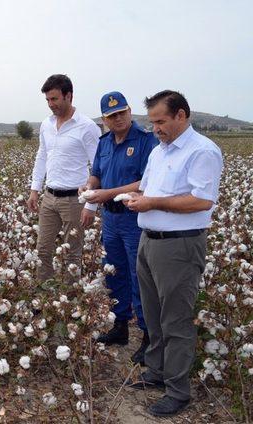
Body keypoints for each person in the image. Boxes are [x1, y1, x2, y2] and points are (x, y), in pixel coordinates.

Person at [126, 90, 223, 417]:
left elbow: (201, 200)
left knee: (176, 319)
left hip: (180, 245)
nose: (155, 128)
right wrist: (130, 197)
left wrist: (152, 203)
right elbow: (148, 190)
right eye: (152, 122)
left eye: (161, 121)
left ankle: (178, 391)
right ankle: (155, 372)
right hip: (149, 240)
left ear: (182, 115)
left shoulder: (202, 151)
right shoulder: (159, 152)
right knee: (152, 315)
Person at [79, 92, 158, 364]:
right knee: (114, 273)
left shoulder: (146, 141)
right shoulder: (105, 143)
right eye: (112, 116)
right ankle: (120, 326)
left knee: (140, 277)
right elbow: (96, 173)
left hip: (133, 218)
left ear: (130, 111)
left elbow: (145, 182)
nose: (119, 118)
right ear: (105, 120)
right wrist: (90, 187)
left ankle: (149, 337)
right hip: (111, 219)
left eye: (122, 112)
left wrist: (107, 192)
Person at [27, 74, 101, 282]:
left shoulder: (87, 127)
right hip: (49, 197)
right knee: (43, 250)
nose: (51, 105)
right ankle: (45, 296)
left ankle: (69, 300)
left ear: (69, 96)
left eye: (55, 99)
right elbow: (42, 156)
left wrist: (91, 205)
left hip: (74, 200)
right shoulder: (46, 125)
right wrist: (35, 189)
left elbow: (98, 167)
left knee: (73, 253)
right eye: (48, 100)